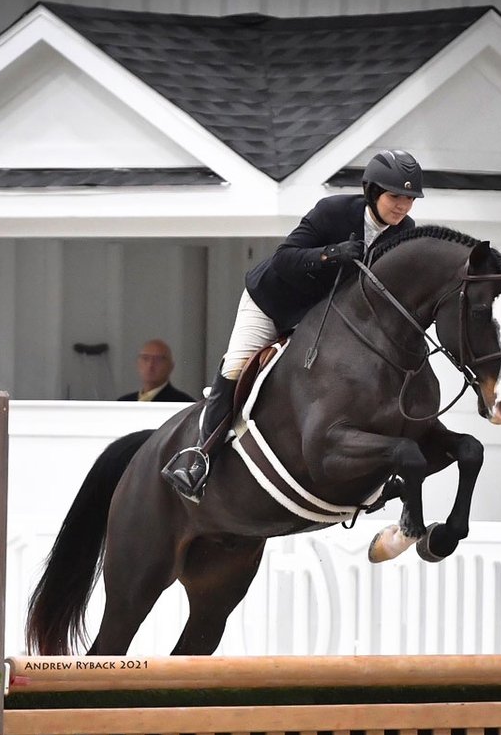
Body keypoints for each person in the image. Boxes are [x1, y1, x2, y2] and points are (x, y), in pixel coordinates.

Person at [162, 149, 424, 499]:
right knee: (238, 365)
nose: (402, 207)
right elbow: (285, 257)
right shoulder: (332, 212)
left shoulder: (405, 233)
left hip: (321, 318)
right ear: (372, 192)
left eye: (409, 199)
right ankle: (198, 458)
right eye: (396, 197)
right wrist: (331, 254)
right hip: (273, 302)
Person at [118, 339, 195, 403]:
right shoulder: (123, 402)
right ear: (137, 363)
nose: (150, 365)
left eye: (158, 360)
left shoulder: (182, 403)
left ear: (171, 366)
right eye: (145, 358)